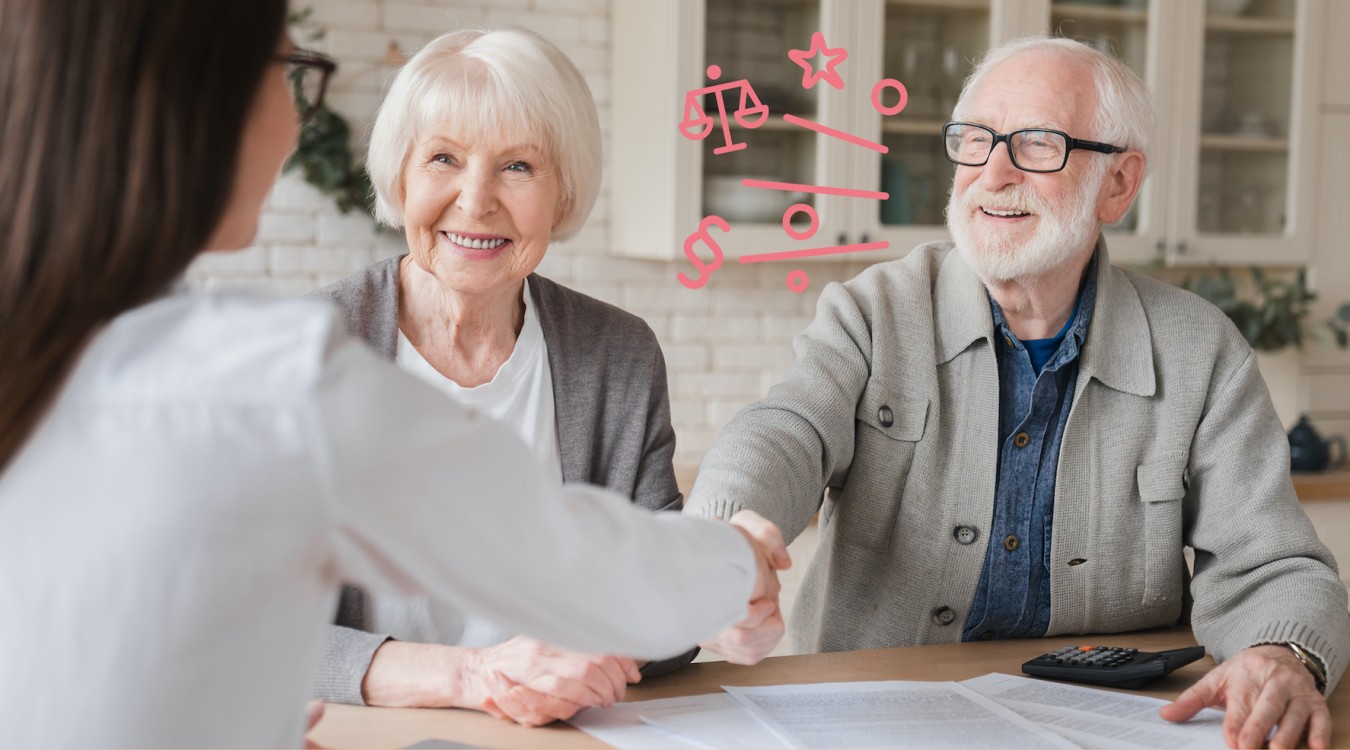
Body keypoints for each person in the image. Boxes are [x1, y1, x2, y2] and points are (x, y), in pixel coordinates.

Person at [0, 2, 788, 747]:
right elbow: (554, 555)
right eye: (286, 69)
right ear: (198, 108)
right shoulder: (269, 381)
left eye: (516, 166)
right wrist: (736, 563)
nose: (293, 115)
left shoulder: (69, 353)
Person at [685, 36, 1350, 750]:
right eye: (975, 142)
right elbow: (786, 429)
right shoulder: (873, 310)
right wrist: (724, 536)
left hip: (1110, 730)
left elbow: (1273, 564)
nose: (993, 174)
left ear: (1119, 185)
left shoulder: (1202, 350)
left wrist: (1281, 655)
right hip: (875, 720)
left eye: (1037, 144)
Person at [308, 27, 759, 725]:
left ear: (564, 191)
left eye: (518, 166)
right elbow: (240, 625)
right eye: (444, 159)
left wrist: (710, 594)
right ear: (401, 175)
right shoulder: (306, 354)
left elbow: (659, 613)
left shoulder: (617, 354)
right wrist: (476, 676)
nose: (477, 199)